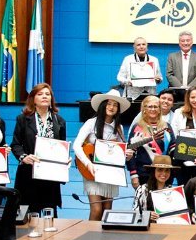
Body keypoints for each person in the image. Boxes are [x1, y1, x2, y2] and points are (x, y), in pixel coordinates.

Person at [73, 89, 132, 220]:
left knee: (107, 210)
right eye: (109, 103)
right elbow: (76, 145)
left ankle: (102, 239)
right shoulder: (91, 123)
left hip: (109, 172)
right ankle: (89, 239)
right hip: (92, 171)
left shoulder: (119, 128)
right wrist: (88, 164)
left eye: (115, 105)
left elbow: (119, 152)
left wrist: (127, 155)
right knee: (96, 209)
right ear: (103, 105)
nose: (111, 107)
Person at [10, 83, 67, 215]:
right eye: (40, 94)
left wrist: (65, 159)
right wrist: (24, 157)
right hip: (29, 173)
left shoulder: (60, 121)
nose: (44, 97)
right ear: (33, 99)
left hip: (50, 175)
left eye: (47, 94)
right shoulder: (23, 119)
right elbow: (16, 144)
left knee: (50, 213)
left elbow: (62, 146)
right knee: (29, 214)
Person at [126, 95, 175, 189]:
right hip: (143, 174)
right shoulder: (137, 127)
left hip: (164, 174)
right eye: (150, 106)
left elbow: (173, 149)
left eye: (156, 107)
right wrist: (133, 175)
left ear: (160, 109)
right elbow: (130, 153)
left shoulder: (166, 127)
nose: (153, 109)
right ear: (144, 109)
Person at [133, 154, 178, 222]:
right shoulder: (142, 189)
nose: (164, 173)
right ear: (154, 171)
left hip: (167, 228)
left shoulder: (174, 191)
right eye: (160, 170)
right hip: (147, 229)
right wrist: (147, 215)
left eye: (167, 170)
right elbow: (134, 212)